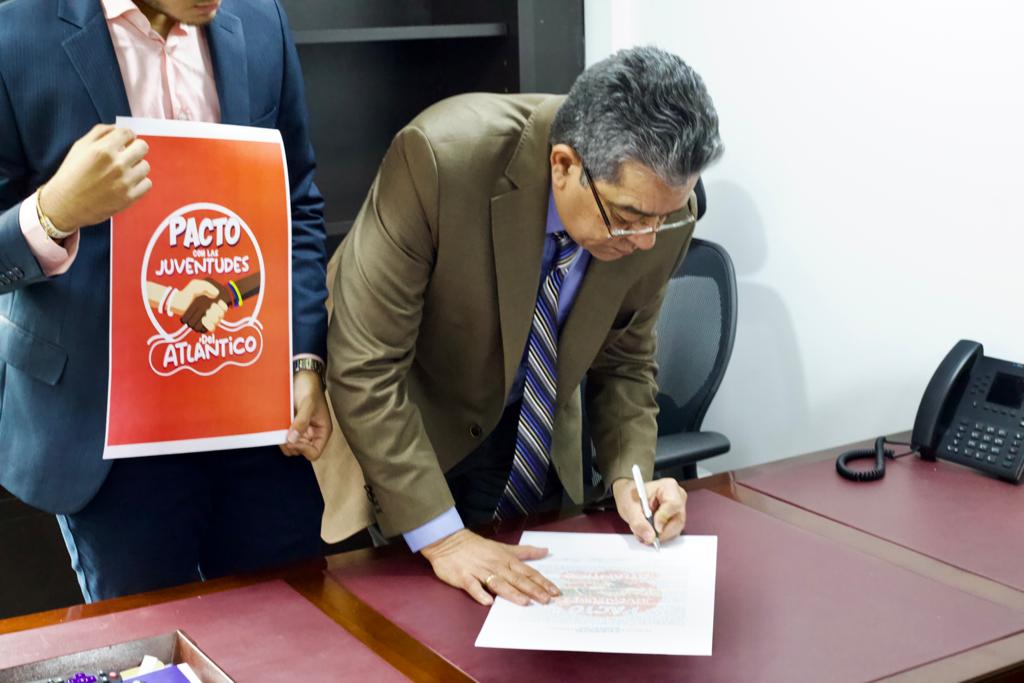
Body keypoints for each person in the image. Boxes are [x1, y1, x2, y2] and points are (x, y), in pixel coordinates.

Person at [327, 46, 723, 606]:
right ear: (563, 165)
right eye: (629, 218)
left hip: (530, 427)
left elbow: (626, 359)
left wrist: (631, 478)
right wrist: (443, 538)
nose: (646, 242)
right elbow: (365, 367)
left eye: (664, 217)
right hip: (408, 425)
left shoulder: (661, 211)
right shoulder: (440, 160)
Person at [0, 0, 331, 601]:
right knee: (150, 642)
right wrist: (53, 212)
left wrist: (304, 361)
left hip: (253, 413)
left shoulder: (261, 20)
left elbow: (297, 204)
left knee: (294, 624)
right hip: (104, 432)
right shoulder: (13, 31)